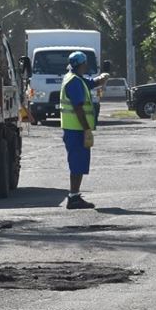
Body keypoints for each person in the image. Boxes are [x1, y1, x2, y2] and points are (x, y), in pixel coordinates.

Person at [58, 50, 103, 209]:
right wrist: (86, 129)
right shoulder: (75, 82)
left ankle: (74, 195)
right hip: (76, 129)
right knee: (77, 163)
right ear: (82, 64)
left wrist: (101, 79)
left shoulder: (74, 78)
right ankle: (73, 197)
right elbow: (78, 108)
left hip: (73, 129)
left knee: (78, 163)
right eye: (85, 64)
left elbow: (89, 82)